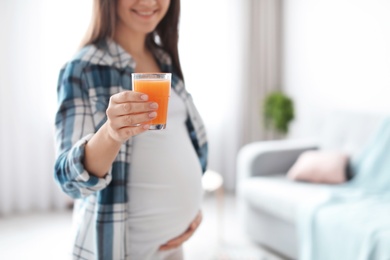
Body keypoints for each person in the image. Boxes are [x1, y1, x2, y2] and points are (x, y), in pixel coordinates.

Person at [54, 0, 208, 259]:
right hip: (122, 247)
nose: (149, 2)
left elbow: (182, 143)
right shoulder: (83, 68)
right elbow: (69, 181)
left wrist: (189, 210)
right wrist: (111, 133)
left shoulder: (164, 59)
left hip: (172, 246)